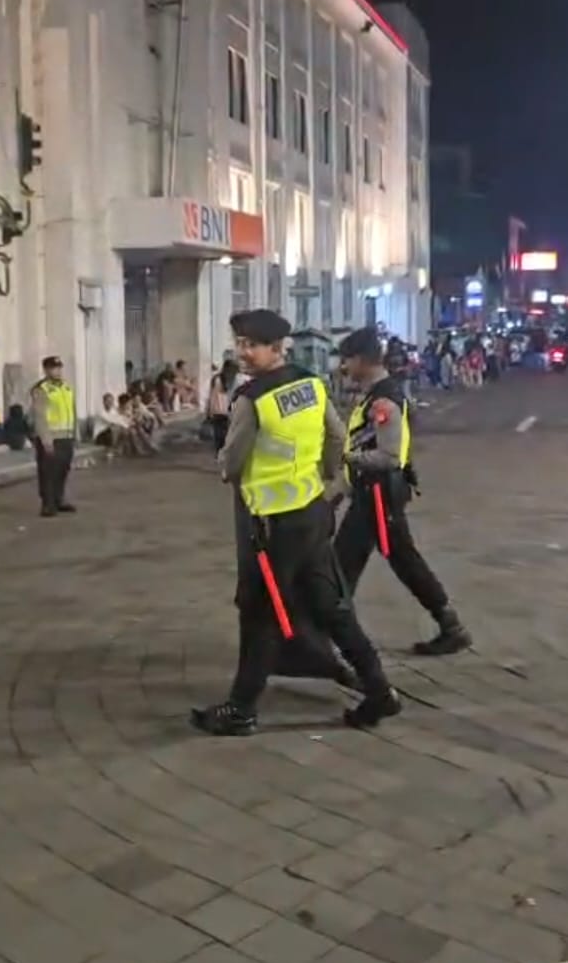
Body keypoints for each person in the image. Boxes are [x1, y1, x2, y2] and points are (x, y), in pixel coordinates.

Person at [191, 309, 400, 736]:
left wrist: (228, 464)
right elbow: (337, 438)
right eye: (240, 343)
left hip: (270, 524)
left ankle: (241, 709)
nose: (243, 352)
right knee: (333, 607)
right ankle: (379, 690)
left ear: (275, 348)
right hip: (312, 513)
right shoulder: (312, 384)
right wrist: (327, 483)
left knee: (260, 612)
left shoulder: (252, 399)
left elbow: (231, 464)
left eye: (252, 345)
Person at [334, 326, 471, 656]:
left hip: (378, 495)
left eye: (347, 360)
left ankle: (332, 636)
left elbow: (389, 456)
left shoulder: (383, 401)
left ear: (362, 360)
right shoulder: (377, 394)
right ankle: (449, 625)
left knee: (357, 563)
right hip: (373, 494)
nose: (343, 367)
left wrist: (347, 458)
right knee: (356, 562)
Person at [30, 356, 77, 517]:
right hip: (51, 438)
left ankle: (59, 499)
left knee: (63, 470)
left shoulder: (66, 387)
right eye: (53, 368)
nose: (57, 371)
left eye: (58, 368)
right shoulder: (41, 389)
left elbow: (72, 410)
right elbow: (40, 416)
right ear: (46, 370)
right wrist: (45, 439)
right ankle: (47, 504)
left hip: (66, 436)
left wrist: (74, 433)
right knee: (48, 472)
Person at [206, 357, 237, 456]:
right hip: (223, 411)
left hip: (222, 411)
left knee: (221, 437)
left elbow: (212, 396)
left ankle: (221, 455)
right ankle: (221, 455)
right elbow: (214, 396)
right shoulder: (223, 379)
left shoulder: (222, 379)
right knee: (223, 436)